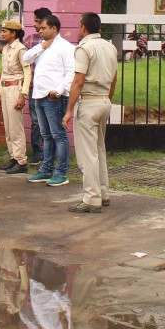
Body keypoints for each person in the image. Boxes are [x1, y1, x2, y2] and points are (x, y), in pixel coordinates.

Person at [62, 13, 118, 213]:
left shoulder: (84, 48)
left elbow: (78, 81)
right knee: (99, 148)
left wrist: (69, 110)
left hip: (89, 101)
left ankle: (91, 198)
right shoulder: (110, 47)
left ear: (83, 28)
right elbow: (113, 79)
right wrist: (107, 99)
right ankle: (103, 192)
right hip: (103, 100)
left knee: (88, 154)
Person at [24, 15, 74, 186]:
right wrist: (41, 47)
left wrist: (59, 91)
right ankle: (46, 169)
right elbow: (26, 59)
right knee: (46, 135)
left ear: (54, 28)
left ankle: (61, 172)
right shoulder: (42, 46)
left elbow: (71, 72)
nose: (40, 30)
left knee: (58, 134)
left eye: (44, 28)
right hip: (39, 95)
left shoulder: (66, 47)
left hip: (54, 97)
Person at [0, 19, 31, 174]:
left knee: (16, 127)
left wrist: (23, 95)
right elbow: (4, 73)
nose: (2, 34)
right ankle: (13, 156)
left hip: (15, 88)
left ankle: (21, 160)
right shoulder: (6, 49)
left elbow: (27, 72)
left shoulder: (21, 49)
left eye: (5, 31)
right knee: (8, 127)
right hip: (5, 88)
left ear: (13, 33)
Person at [27, 7, 53, 164]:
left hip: (51, 88)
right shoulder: (31, 39)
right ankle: (37, 152)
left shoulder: (57, 43)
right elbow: (23, 58)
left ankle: (50, 153)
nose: (35, 25)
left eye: (37, 21)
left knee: (51, 120)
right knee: (36, 120)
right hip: (34, 86)